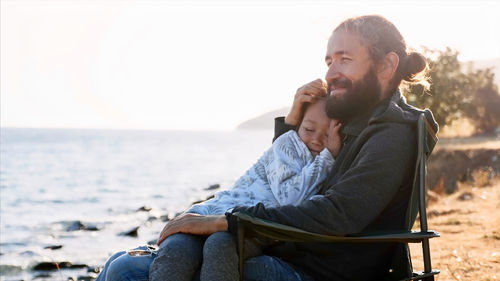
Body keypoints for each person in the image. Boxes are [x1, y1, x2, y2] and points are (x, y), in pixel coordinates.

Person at [153, 15, 439, 281]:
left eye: (344, 60)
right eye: (329, 62)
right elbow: (284, 180)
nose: (330, 73)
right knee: (165, 251)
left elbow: (338, 212)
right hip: (292, 251)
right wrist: (292, 122)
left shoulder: (390, 133)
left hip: (318, 270)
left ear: (386, 66)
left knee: (133, 268)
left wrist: (231, 219)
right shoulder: (357, 120)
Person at [96, 98, 343, 281]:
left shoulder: (327, 165)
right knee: (177, 250)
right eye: (309, 129)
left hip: (244, 229)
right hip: (210, 214)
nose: (316, 140)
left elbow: (294, 200)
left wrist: (329, 156)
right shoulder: (287, 145)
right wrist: (328, 155)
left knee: (219, 246)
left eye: (327, 135)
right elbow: (291, 193)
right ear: (297, 126)